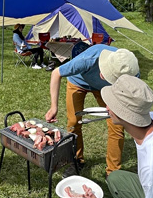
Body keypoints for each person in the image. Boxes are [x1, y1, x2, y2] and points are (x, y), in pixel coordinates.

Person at [44, 44, 139, 177]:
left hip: (106, 90)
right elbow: (56, 73)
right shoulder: (89, 58)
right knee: (73, 122)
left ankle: (113, 172)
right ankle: (76, 160)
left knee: (117, 126)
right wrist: (54, 107)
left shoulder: (131, 71)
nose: (102, 74)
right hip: (78, 82)